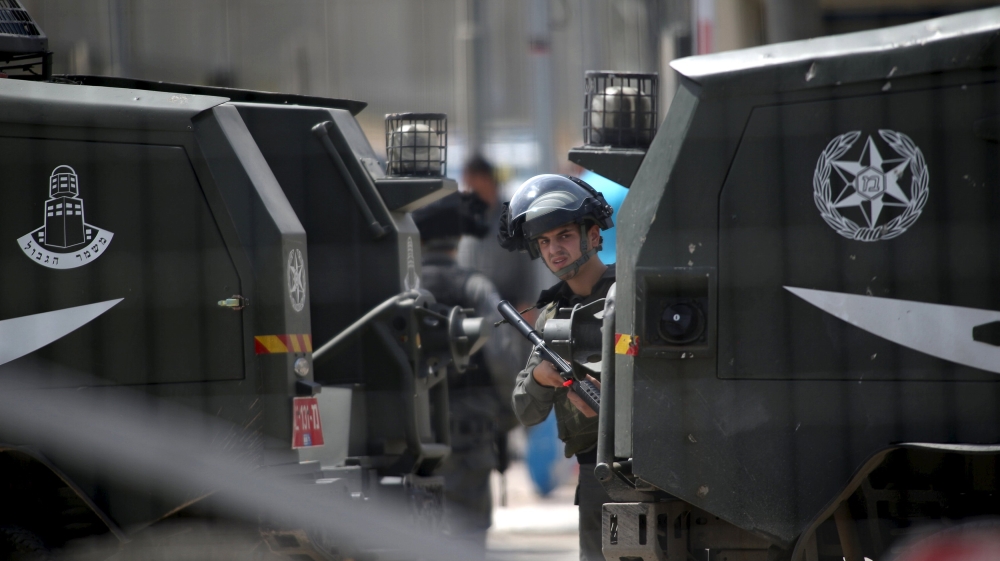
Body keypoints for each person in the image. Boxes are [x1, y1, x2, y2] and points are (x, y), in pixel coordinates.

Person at [497, 173, 616, 561]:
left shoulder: (631, 294)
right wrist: (539, 378)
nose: (554, 250)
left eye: (564, 235)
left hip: (654, 469)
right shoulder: (551, 317)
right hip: (597, 479)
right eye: (544, 242)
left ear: (594, 235)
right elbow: (526, 411)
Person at [411, 191, 520, 557]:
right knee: (469, 535)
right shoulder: (475, 286)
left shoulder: (403, 288)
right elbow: (503, 354)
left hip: (413, 432)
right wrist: (508, 415)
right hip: (470, 431)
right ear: (458, 241)